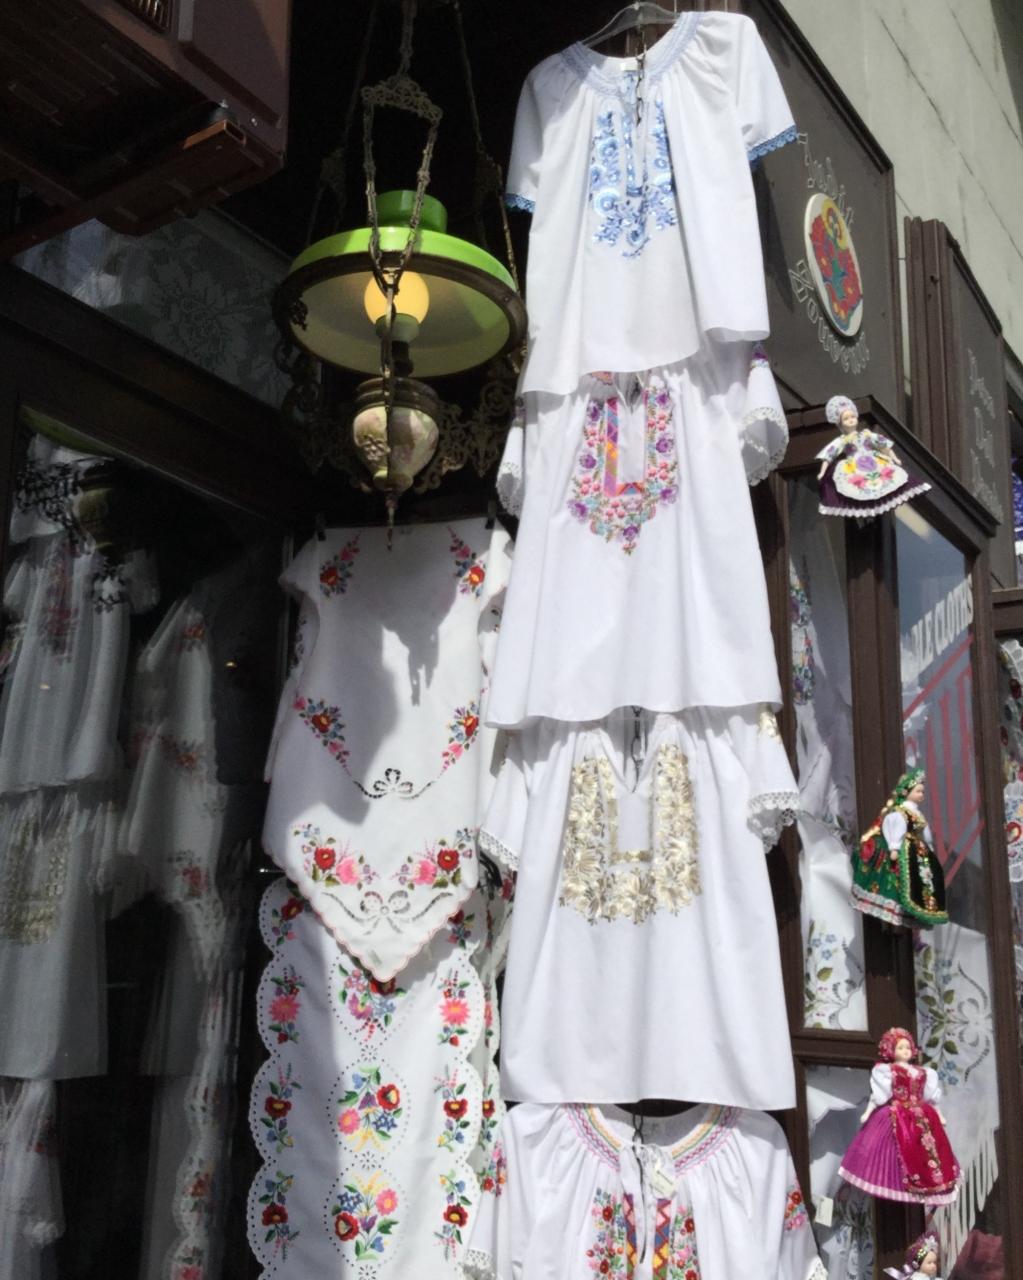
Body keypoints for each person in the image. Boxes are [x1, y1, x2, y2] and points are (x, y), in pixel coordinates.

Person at [839, 1028, 959, 1205]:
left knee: (929, 1152)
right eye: (900, 1048)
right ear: (891, 1050)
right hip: (899, 1116)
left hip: (923, 1117)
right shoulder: (888, 1071)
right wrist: (868, 1112)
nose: (905, 1051)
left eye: (907, 1047)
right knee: (896, 1153)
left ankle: (928, 1181)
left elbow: (931, 1097)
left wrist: (939, 1115)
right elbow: (880, 1096)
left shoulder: (923, 1073)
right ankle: (899, 1183)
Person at [852, 767, 949, 927]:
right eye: (918, 791)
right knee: (905, 876)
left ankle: (920, 903)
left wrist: (929, 847)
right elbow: (897, 828)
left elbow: (926, 834)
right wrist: (894, 847)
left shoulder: (917, 814)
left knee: (926, 877)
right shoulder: (900, 812)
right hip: (907, 849)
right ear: (907, 792)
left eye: (922, 792)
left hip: (919, 850)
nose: (921, 795)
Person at [816, 394, 930, 517]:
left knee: (888, 478)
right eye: (846, 419)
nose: (851, 420)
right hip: (854, 466)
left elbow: (883, 446)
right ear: (840, 424)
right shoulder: (843, 440)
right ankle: (866, 506)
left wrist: (894, 458)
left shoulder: (866, 434)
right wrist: (822, 472)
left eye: (853, 416)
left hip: (873, 462)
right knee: (858, 486)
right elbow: (829, 455)